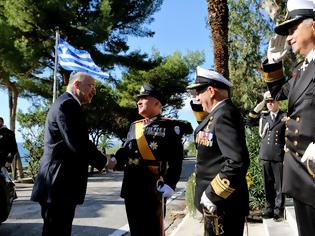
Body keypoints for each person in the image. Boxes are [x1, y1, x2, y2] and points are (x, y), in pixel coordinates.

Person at [31, 72, 116, 236]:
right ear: (77, 85)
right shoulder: (68, 105)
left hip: (58, 183)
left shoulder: (67, 103)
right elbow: (78, 143)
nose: (94, 92)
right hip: (58, 183)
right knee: (57, 231)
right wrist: (105, 162)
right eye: (91, 86)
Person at [261, 0, 315, 234]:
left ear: (313, 27)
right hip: (302, 173)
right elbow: (278, 93)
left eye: (294, 30)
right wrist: (273, 61)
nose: (289, 37)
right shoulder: (304, 69)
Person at [115, 84, 193, 236]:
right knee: (136, 230)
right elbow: (126, 151)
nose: (139, 102)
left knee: (152, 231)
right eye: (138, 99)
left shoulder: (170, 126)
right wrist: (113, 161)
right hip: (131, 187)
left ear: (157, 103)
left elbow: (176, 159)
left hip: (153, 188)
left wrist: (170, 183)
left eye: (144, 98)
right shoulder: (134, 126)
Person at [187, 66, 250, 236]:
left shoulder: (225, 114)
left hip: (223, 204)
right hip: (217, 206)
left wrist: (213, 194)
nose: (197, 97)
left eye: (199, 92)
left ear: (211, 91)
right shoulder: (216, 115)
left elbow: (237, 162)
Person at [248, 91, 286, 221]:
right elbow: (250, 120)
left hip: (279, 155)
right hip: (265, 155)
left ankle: (278, 210)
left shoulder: (284, 116)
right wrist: (260, 105)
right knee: (267, 184)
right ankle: (269, 208)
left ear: (277, 102)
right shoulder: (263, 117)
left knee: (279, 185)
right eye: (268, 102)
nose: (270, 104)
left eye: (272, 101)